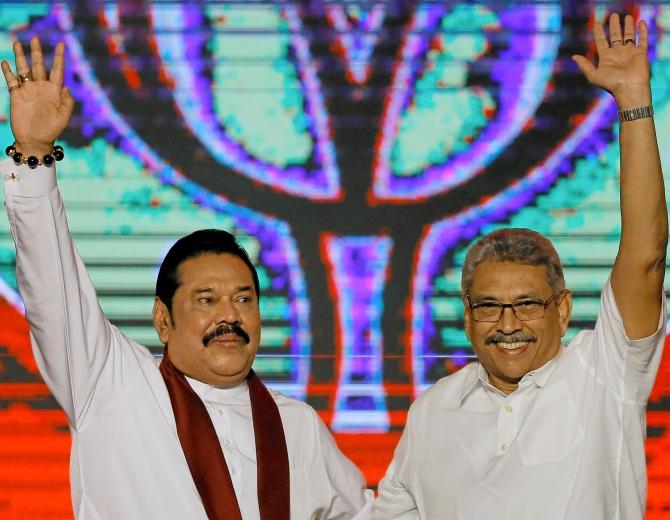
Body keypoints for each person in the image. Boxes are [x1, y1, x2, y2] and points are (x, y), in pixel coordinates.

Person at [1, 37, 372, 519]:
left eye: (243, 299)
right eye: (206, 300)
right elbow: (53, 288)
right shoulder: (112, 388)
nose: (229, 317)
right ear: (162, 319)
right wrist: (34, 151)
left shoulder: (296, 427)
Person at [371, 13, 667, 520]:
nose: (508, 324)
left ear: (562, 307)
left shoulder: (602, 375)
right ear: (467, 316)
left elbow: (644, 257)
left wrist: (635, 104)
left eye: (527, 304)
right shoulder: (435, 410)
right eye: (489, 306)